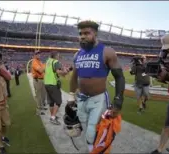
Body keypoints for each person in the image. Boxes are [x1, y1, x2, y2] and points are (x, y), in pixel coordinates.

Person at [68, 20, 125, 153]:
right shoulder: (77, 54)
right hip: (82, 98)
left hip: (98, 98)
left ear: (95, 34)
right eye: (80, 33)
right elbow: (74, 77)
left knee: (94, 130)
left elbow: (119, 77)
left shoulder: (107, 51)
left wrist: (118, 101)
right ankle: (92, 149)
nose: (82, 36)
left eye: (87, 33)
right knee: (85, 125)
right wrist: (71, 95)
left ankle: (95, 150)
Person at [44, 51, 69, 125]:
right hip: (53, 84)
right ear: (55, 56)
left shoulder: (48, 61)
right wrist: (65, 72)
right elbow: (58, 72)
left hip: (46, 83)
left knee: (51, 102)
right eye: (58, 55)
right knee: (58, 101)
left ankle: (52, 116)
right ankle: (53, 118)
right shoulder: (55, 61)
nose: (59, 56)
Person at [31, 50, 47, 115]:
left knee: (43, 95)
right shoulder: (34, 61)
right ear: (34, 55)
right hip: (37, 80)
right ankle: (38, 111)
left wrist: (44, 66)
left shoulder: (39, 61)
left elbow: (44, 69)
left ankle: (42, 107)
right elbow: (40, 70)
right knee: (38, 96)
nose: (38, 55)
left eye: (39, 54)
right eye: (37, 54)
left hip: (42, 80)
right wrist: (46, 66)